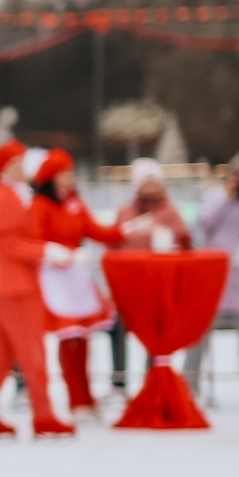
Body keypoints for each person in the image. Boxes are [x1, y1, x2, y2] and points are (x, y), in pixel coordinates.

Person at [0, 142, 69, 438]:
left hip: (10, 285)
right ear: (3, 170)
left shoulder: (12, 197)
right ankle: (43, 414)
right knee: (31, 351)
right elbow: (12, 245)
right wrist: (47, 251)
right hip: (16, 286)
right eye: (14, 164)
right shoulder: (5, 199)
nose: (21, 168)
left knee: (1, 353)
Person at [32, 150, 125, 419]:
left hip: (76, 278)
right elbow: (37, 239)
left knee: (83, 340)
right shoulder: (41, 205)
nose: (69, 177)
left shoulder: (76, 204)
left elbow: (96, 231)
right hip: (55, 279)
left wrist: (125, 230)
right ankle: (75, 400)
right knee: (69, 339)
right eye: (64, 172)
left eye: (71, 172)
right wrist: (58, 253)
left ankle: (86, 397)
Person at [188, 150, 239, 396]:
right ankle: (189, 381)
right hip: (215, 272)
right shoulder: (216, 196)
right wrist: (228, 198)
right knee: (200, 328)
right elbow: (204, 221)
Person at [104, 160, 190, 388]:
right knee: (118, 330)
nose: (150, 186)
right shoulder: (125, 212)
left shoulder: (170, 212)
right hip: (128, 285)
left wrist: (167, 238)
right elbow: (112, 244)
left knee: (155, 335)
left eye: (153, 181)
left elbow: (185, 243)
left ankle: (152, 382)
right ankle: (119, 381)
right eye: (145, 181)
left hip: (157, 285)